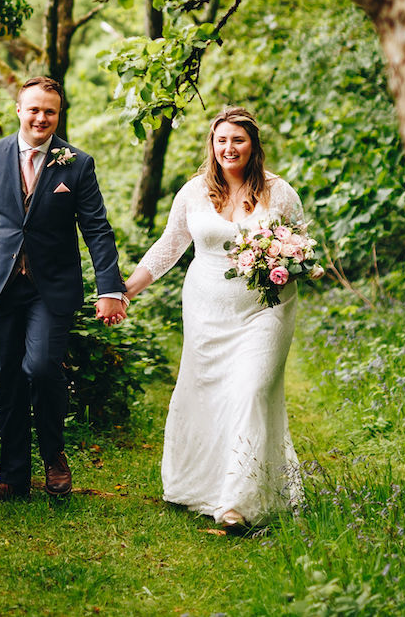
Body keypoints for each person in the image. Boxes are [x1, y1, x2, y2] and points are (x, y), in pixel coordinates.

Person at [119, 106, 304, 528]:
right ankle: (203, 484)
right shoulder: (194, 192)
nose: (229, 147)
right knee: (207, 393)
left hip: (266, 310)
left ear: (253, 144)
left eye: (237, 139)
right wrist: (127, 289)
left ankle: (238, 502)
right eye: (222, 140)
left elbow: (301, 246)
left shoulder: (280, 192)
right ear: (212, 144)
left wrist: (288, 261)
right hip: (206, 309)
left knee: (253, 389)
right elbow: (169, 247)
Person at [0, 77, 128, 500]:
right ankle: (13, 477)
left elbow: (97, 231)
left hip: (52, 288)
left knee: (42, 368)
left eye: (49, 111)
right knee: (6, 378)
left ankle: (54, 455)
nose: (41, 118)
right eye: (34, 109)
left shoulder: (77, 164)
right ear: (19, 110)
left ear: (58, 115)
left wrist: (111, 289)